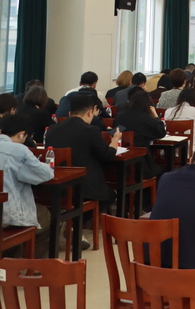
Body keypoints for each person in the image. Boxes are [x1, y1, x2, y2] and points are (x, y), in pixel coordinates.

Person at [46, 92, 119, 207]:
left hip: (57, 187)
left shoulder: (52, 129)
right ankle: (84, 216)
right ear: (90, 112)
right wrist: (115, 139)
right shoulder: (91, 130)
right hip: (84, 189)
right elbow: (107, 156)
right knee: (110, 195)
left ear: (70, 113)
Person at [0, 113, 54, 246]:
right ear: (21, 134)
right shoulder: (18, 150)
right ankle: (21, 255)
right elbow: (45, 174)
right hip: (7, 215)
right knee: (47, 215)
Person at [114, 87, 168, 178]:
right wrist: (155, 116)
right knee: (163, 172)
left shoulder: (120, 116)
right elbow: (161, 133)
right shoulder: (145, 119)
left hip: (121, 162)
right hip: (142, 164)